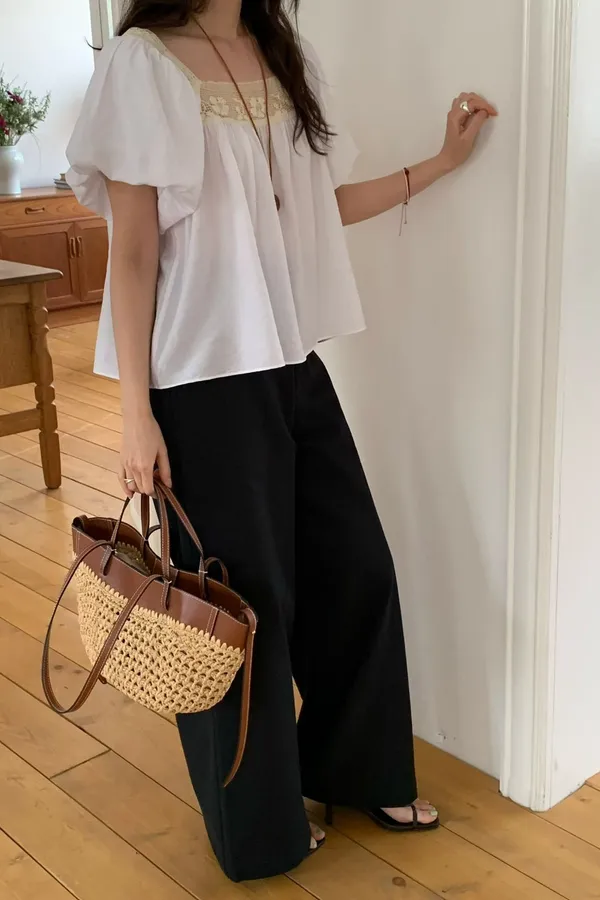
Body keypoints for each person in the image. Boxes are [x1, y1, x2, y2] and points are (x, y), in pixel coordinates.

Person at [67, 0, 496, 883]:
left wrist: (440, 164)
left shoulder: (279, 52)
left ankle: (357, 773)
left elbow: (315, 207)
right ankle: (257, 830)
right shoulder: (143, 62)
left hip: (291, 362)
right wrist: (136, 413)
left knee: (357, 567)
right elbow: (135, 249)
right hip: (199, 380)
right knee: (242, 609)